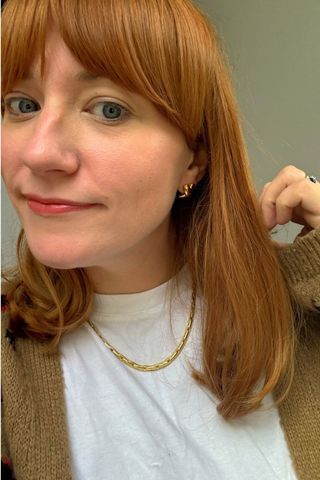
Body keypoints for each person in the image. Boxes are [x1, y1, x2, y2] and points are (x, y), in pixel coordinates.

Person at [1, 0, 319, 479]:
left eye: (108, 109)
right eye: (22, 105)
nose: (40, 153)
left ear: (194, 159)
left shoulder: (301, 308)